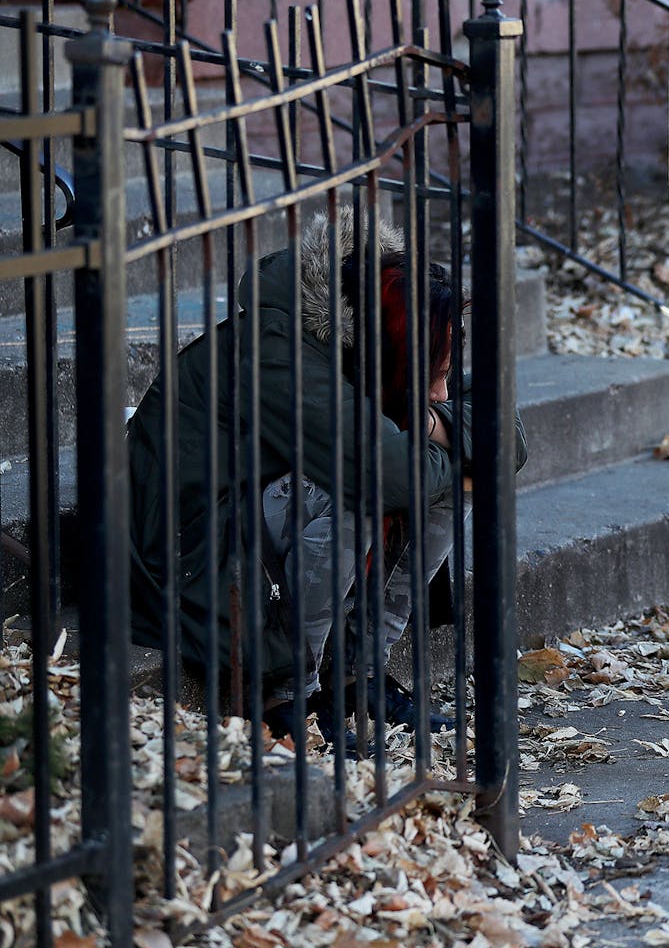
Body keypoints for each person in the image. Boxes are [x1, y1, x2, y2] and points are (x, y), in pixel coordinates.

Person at [128, 209, 527, 752]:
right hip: (192, 553)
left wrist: (436, 422)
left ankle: (358, 675)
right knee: (358, 488)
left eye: (445, 374)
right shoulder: (280, 350)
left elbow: (510, 434)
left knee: (431, 479)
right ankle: (291, 690)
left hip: (260, 521)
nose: (441, 389)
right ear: (390, 342)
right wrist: (458, 451)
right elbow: (385, 474)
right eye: (432, 373)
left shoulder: (376, 329)